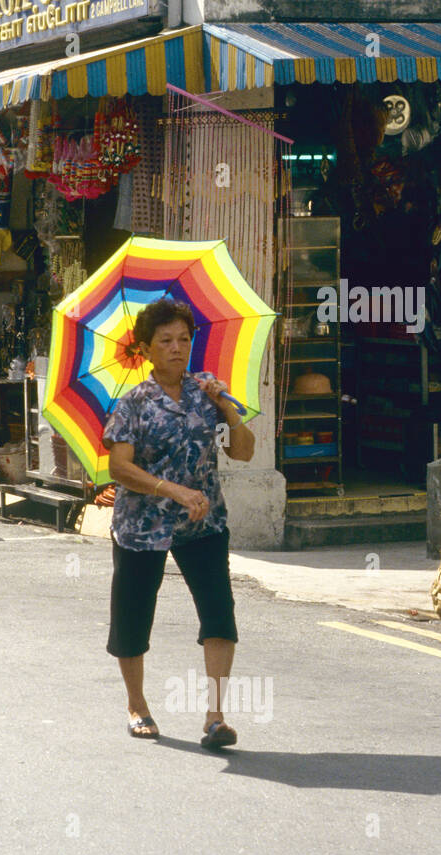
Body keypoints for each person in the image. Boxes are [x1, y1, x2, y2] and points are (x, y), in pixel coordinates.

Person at [101, 298, 255, 749]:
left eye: (183, 339)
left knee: (218, 612)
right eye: (165, 341)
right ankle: (137, 706)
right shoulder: (133, 404)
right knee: (132, 616)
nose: (176, 348)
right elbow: (119, 468)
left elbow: (242, 451)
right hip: (142, 526)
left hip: (202, 523)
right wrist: (173, 490)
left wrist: (227, 408)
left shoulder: (207, 396)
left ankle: (216, 717)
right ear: (146, 349)